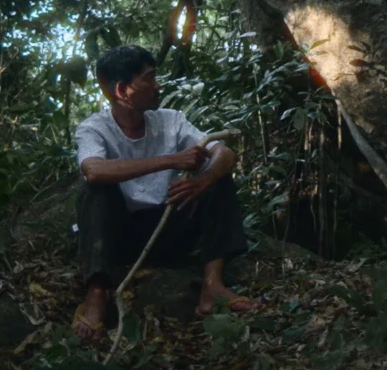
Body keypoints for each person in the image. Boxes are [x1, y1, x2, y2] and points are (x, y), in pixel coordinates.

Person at [71, 45, 258, 340]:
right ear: (122, 90)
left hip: (170, 228)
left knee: (219, 180)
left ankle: (212, 285)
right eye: (149, 78)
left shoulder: (170, 120)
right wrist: (172, 160)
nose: (158, 86)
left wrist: (203, 181)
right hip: (120, 239)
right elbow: (94, 170)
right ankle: (96, 293)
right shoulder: (94, 129)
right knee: (96, 191)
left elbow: (224, 153)